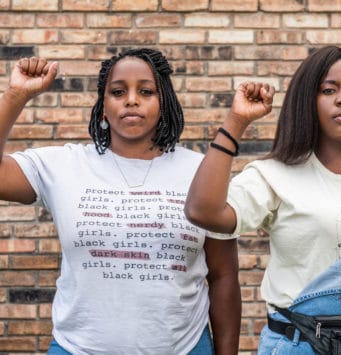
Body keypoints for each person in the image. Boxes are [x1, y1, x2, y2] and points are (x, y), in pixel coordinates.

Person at [185, 46, 341, 354]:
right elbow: (203, 210)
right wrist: (236, 122)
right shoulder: (274, 175)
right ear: (307, 101)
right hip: (298, 344)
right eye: (328, 90)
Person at [0, 48, 241, 354]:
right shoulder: (63, 165)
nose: (131, 99)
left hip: (184, 348)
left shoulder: (202, 172)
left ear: (163, 102)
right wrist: (15, 95)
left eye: (146, 91)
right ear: (103, 107)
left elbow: (223, 277)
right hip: (78, 349)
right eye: (117, 92)